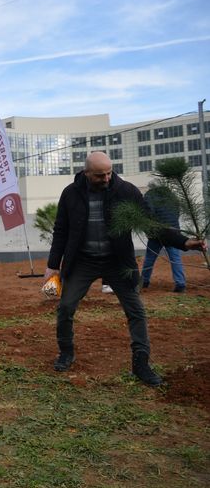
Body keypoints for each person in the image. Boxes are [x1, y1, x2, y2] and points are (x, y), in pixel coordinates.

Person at [44, 152, 206, 386]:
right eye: (100, 175)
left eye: (109, 173)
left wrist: (183, 242)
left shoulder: (126, 191)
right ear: (87, 173)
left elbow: (151, 225)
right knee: (66, 307)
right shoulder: (70, 194)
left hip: (117, 262)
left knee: (136, 311)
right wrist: (52, 266)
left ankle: (141, 363)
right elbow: (61, 230)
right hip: (83, 262)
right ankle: (66, 352)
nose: (106, 178)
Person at [140, 184, 187, 293]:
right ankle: (180, 283)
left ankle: (144, 281)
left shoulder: (150, 195)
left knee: (150, 258)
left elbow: (148, 213)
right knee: (175, 259)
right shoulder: (172, 196)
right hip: (173, 232)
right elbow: (177, 212)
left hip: (158, 232)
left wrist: (148, 230)